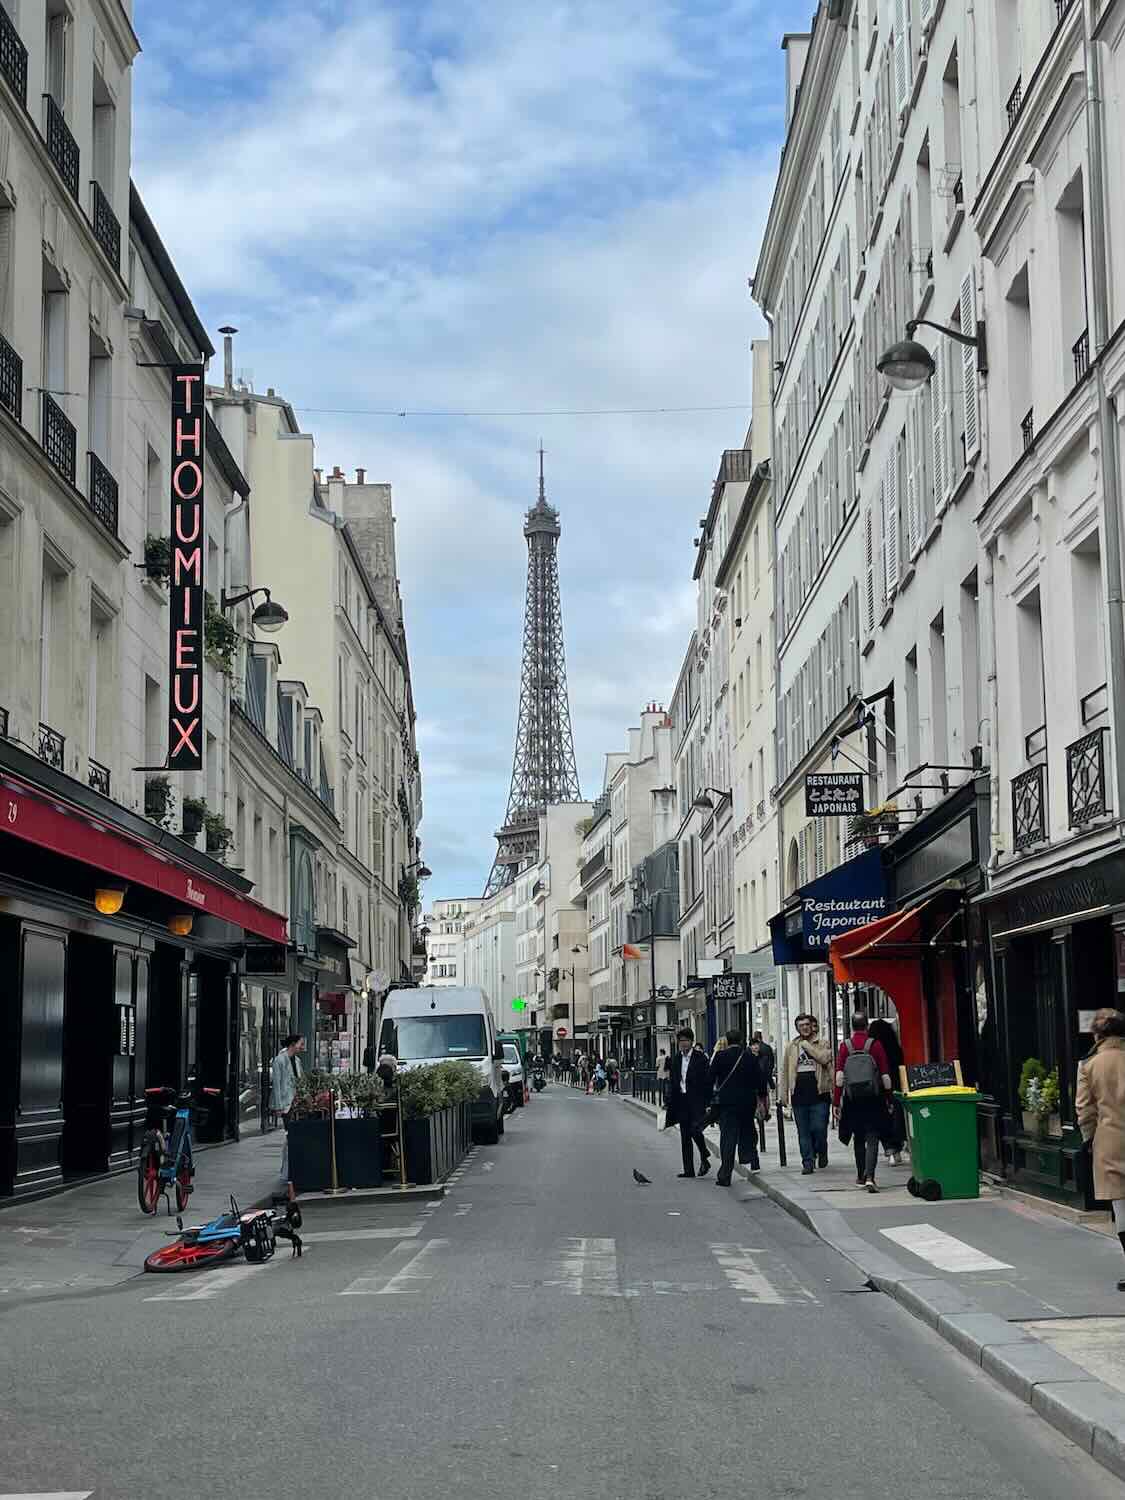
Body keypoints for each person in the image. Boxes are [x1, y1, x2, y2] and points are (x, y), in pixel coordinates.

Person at [1076, 1009, 1125, 1289]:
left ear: (1098, 1035)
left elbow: (1084, 1109)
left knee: (1121, 1204)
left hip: (1111, 1141)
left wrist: (1088, 1139)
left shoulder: (1090, 1065)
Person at [834, 1012, 892, 1193]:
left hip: (853, 1100)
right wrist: (889, 1098)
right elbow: (885, 1075)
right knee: (872, 1137)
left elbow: (839, 1078)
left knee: (858, 1138)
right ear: (866, 1025)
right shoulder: (875, 1045)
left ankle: (860, 1175)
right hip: (874, 1098)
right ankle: (870, 1177)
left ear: (851, 1026)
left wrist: (836, 1103)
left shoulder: (845, 1046)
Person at [708, 1028, 768, 1183]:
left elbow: (710, 1078)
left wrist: (709, 1099)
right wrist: (761, 1098)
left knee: (728, 1137)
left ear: (727, 1041)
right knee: (748, 1131)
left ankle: (725, 1175)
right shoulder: (750, 1057)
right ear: (741, 1041)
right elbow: (760, 1080)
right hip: (747, 1103)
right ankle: (751, 1160)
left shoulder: (720, 1056)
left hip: (727, 1103)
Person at [780, 1014, 834, 1174]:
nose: (804, 1027)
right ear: (797, 1028)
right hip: (799, 1096)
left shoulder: (822, 1043)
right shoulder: (791, 1046)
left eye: (807, 1024)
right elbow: (785, 1070)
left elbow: (824, 1059)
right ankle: (807, 1162)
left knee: (819, 1129)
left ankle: (821, 1151)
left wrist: (808, 1046)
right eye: (801, 1025)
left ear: (812, 1026)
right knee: (803, 1131)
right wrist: (783, 1094)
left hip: (820, 1094)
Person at [664, 1027, 712, 1178]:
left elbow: (707, 1082)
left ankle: (704, 1154)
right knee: (685, 1135)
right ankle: (688, 1170)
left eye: (685, 1040)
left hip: (697, 1101)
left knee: (695, 1129)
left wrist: (707, 1101)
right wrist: (668, 1099)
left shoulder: (701, 1058)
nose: (683, 1044)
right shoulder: (676, 1058)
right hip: (681, 1101)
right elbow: (673, 1080)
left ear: (691, 1041)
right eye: (680, 1041)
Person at [868, 1018, 907, 1165]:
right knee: (896, 1116)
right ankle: (896, 1148)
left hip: (876, 1087)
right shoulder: (895, 1049)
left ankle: (889, 1149)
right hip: (895, 1085)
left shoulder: (871, 1047)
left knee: (882, 1118)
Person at [270, 1033, 306, 1187]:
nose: (302, 1046)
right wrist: (278, 1106)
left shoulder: (297, 1060)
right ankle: (287, 1171)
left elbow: (301, 1080)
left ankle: (289, 1169)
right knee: (289, 1135)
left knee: (292, 1136)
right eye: (300, 1043)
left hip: (296, 1102)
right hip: (286, 1103)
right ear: (292, 1044)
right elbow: (277, 1084)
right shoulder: (279, 1060)